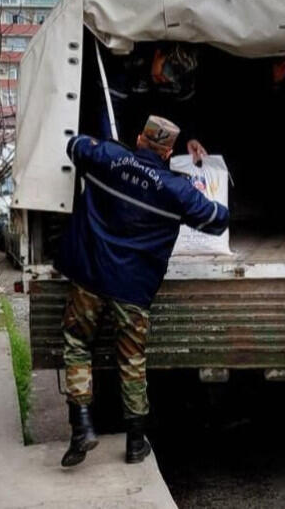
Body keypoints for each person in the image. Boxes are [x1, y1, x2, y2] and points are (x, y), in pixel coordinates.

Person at [54, 115, 229, 467]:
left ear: (138, 139)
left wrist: (114, 150)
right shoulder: (175, 189)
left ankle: (81, 428)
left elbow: (74, 145)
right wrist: (194, 184)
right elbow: (218, 218)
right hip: (133, 289)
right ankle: (136, 441)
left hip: (90, 276)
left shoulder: (105, 157)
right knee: (132, 362)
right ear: (168, 153)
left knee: (77, 346)